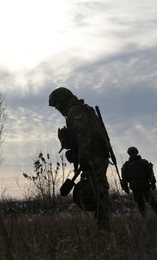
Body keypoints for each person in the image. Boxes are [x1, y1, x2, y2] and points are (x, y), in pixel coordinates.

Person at [48, 87, 111, 230]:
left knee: (97, 190)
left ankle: (104, 226)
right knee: (96, 188)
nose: (57, 108)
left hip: (94, 155)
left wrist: (83, 156)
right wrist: (76, 153)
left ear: (63, 101)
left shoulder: (75, 111)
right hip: (94, 154)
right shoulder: (78, 109)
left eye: (57, 105)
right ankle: (102, 223)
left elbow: (83, 134)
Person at [120, 146, 157, 218]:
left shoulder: (144, 162)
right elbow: (124, 177)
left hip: (144, 185)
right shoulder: (126, 165)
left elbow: (150, 173)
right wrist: (125, 187)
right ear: (129, 154)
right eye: (131, 153)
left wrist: (153, 182)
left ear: (136, 153)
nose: (133, 154)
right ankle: (145, 218)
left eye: (134, 153)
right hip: (135, 186)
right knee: (140, 204)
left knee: (151, 201)